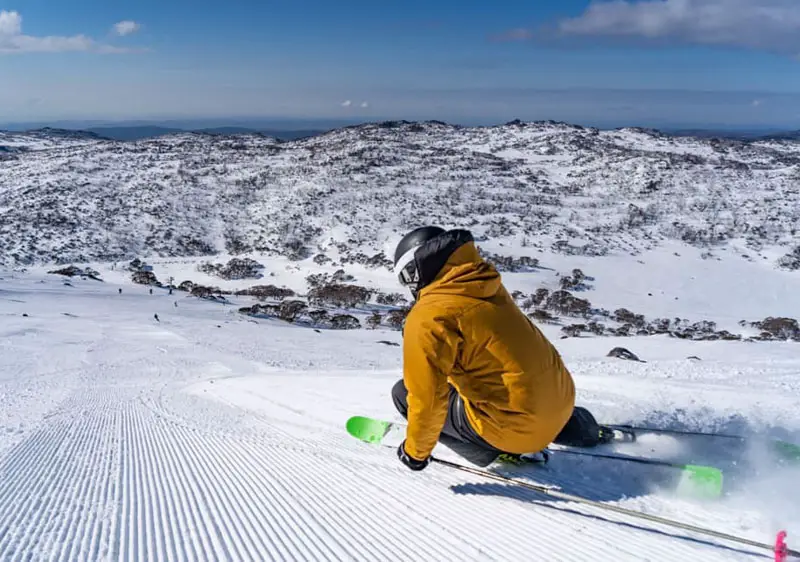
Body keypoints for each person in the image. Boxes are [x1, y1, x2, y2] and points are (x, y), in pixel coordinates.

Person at [391, 226, 609, 471]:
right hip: (562, 400)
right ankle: (579, 429)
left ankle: (498, 452)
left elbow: (427, 399)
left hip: (516, 430)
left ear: (416, 269)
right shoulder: (485, 284)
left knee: (402, 394)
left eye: (406, 278)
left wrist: (415, 453)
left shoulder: (428, 316)